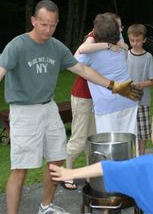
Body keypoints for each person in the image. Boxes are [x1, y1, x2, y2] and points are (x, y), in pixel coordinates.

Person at [0, 0, 142, 214]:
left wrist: (113, 85)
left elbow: (82, 69)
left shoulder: (56, 47)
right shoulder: (18, 45)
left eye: (52, 25)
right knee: (20, 169)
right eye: (43, 24)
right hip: (24, 111)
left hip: (49, 108)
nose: (48, 30)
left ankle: (46, 206)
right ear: (33, 20)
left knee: (57, 159)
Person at [64, 33, 126, 190]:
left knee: (92, 140)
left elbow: (125, 47)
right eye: (117, 26)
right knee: (78, 138)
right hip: (83, 97)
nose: (119, 30)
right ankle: (67, 174)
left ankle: (89, 175)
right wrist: (106, 45)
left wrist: (114, 42)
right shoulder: (93, 39)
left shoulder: (114, 40)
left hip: (97, 99)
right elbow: (80, 51)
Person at [76, 12, 138, 136]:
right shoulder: (121, 43)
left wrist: (91, 37)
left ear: (96, 32)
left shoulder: (90, 54)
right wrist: (108, 44)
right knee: (129, 141)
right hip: (129, 95)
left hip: (107, 104)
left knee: (110, 144)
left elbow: (76, 56)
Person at [127, 24, 153, 155]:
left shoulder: (148, 57)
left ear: (144, 40)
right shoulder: (125, 55)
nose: (135, 43)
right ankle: (131, 154)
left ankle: (142, 154)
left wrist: (139, 85)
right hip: (126, 101)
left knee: (143, 132)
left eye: (138, 40)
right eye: (132, 40)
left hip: (143, 101)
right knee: (129, 130)